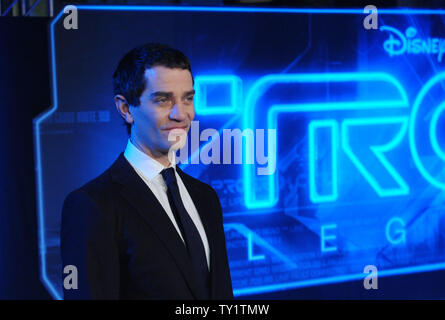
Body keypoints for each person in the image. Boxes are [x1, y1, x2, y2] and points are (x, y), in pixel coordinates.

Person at [61, 43, 233, 300]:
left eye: (188, 98)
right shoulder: (92, 205)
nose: (181, 114)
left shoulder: (205, 198)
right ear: (126, 108)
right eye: (163, 100)